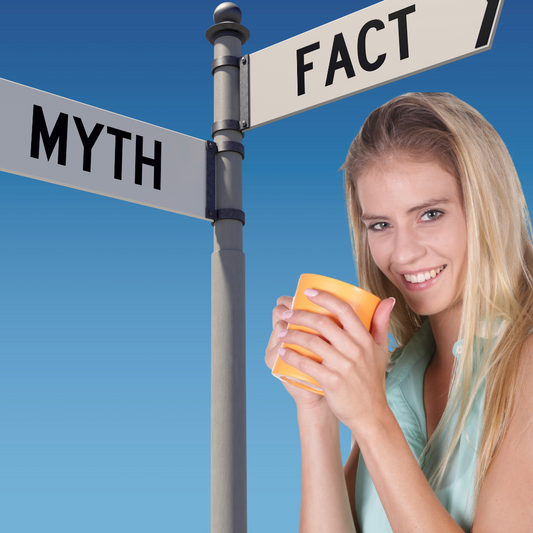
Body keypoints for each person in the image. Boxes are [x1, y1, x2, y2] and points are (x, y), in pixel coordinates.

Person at [264, 92, 533, 532]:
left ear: (488, 208)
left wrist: (371, 419)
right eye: (381, 225)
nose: (403, 254)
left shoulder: (524, 363)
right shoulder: (393, 379)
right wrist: (315, 410)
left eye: (430, 214)